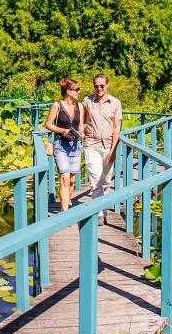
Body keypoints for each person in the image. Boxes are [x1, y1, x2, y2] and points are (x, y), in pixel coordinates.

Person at [83, 74, 122, 225]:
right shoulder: (87, 101)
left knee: (106, 180)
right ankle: (99, 213)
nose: (99, 88)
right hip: (91, 144)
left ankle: (103, 209)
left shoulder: (115, 103)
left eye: (102, 86)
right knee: (95, 179)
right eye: (96, 86)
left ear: (107, 85)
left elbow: (117, 128)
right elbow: (81, 119)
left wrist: (113, 150)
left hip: (108, 145)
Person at [44, 78, 84, 211]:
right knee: (64, 178)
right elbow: (48, 124)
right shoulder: (57, 105)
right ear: (68, 91)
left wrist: (81, 134)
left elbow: (81, 127)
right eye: (76, 89)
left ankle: (64, 206)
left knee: (72, 180)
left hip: (75, 146)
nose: (79, 91)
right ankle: (65, 213)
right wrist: (63, 131)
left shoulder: (80, 107)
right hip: (61, 145)